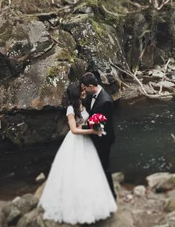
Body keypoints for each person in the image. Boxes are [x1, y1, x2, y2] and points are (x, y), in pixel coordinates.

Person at [38, 83, 117, 224]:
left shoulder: (84, 104)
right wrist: (92, 131)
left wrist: (95, 125)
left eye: (84, 89)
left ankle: (93, 201)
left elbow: (87, 121)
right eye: (81, 91)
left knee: (90, 170)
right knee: (76, 171)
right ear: (76, 93)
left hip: (87, 142)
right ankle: (75, 205)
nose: (84, 92)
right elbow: (74, 130)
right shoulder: (70, 109)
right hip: (76, 141)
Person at [80, 72, 117, 200]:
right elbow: (90, 112)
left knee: (104, 167)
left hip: (104, 139)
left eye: (84, 88)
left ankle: (111, 196)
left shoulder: (105, 101)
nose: (84, 91)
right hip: (95, 137)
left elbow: (100, 127)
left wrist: (80, 128)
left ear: (90, 86)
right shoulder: (92, 95)